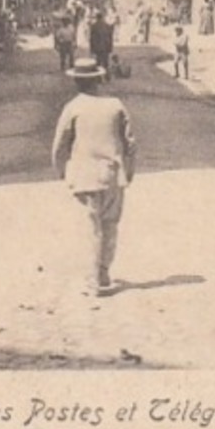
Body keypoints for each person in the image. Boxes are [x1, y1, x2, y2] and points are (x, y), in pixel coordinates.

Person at [51, 56, 137, 299]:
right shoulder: (115, 105)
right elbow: (131, 144)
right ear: (99, 80)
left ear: (76, 82)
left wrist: (61, 171)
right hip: (112, 175)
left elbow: (59, 146)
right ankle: (103, 272)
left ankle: (93, 280)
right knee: (110, 225)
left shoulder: (73, 108)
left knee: (91, 228)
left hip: (84, 177)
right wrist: (128, 173)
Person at [87, 11, 115, 79]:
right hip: (105, 46)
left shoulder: (94, 26)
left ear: (96, 18)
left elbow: (91, 38)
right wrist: (110, 47)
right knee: (105, 63)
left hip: (97, 47)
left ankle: (98, 77)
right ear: (102, 17)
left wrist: (92, 48)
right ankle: (107, 77)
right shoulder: (107, 25)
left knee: (98, 62)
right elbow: (110, 37)